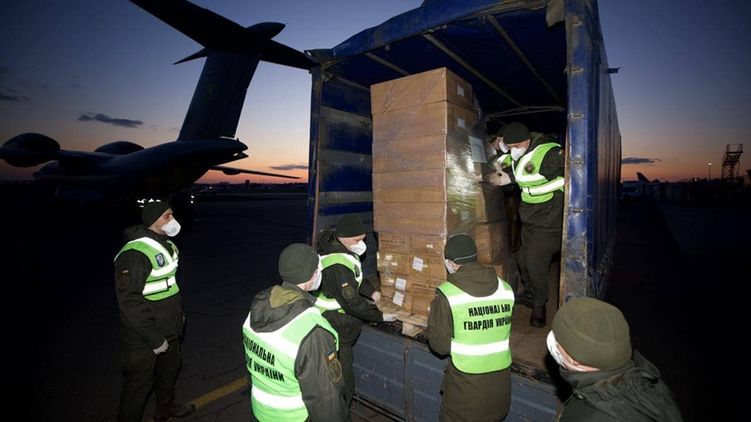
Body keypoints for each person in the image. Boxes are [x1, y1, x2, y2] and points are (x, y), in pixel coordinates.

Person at [242, 243, 349, 422]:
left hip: (262, 413)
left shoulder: (256, 311)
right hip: (296, 417)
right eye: (317, 269)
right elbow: (326, 400)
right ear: (310, 276)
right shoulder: (312, 332)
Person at [114, 200, 195, 422]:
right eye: (167, 216)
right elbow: (129, 300)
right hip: (144, 334)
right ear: (153, 220)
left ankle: (165, 408)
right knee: (138, 384)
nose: (172, 219)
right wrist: (154, 338)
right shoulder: (135, 253)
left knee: (169, 370)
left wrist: (178, 318)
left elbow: (168, 286)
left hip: (169, 325)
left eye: (172, 214)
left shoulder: (167, 244)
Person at [426, 234, 515, 422]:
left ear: (451, 263)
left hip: (466, 394)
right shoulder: (506, 289)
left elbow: (439, 346)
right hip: (500, 390)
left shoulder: (448, 294)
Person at [548, 297, 683, 421]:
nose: (553, 341)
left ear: (574, 360)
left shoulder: (590, 415)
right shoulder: (652, 383)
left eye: (557, 340)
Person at [315, 215, 397, 406]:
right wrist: (380, 316)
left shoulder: (342, 250)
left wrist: (373, 293)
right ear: (343, 237)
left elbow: (355, 277)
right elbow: (352, 303)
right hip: (334, 326)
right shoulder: (335, 264)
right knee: (343, 381)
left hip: (339, 321)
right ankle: (340, 410)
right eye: (356, 240)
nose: (361, 244)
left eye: (363, 239)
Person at [491, 122, 564, 327]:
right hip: (531, 218)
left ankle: (540, 305)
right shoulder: (516, 155)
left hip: (550, 219)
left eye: (515, 146)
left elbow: (574, 167)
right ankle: (531, 294)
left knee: (534, 263)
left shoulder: (548, 153)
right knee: (522, 258)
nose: (512, 150)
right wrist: (502, 176)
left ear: (526, 141)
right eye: (510, 147)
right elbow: (509, 168)